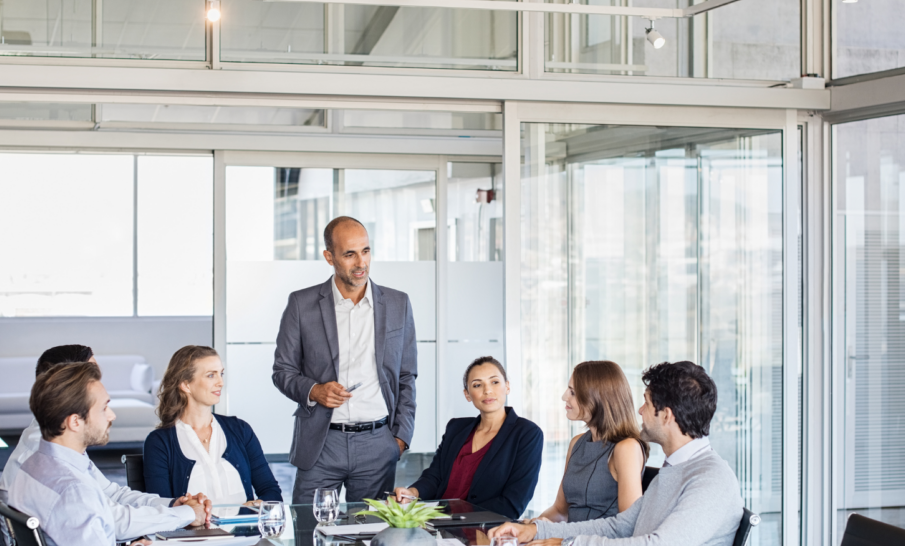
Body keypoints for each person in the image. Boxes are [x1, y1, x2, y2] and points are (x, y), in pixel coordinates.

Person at [6, 361, 227, 546]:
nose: (111, 415)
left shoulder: (35, 467)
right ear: (75, 421)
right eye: (104, 407)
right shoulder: (73, 490)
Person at [488, 361, 744, 546]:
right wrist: (538, 531)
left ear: (666, 415)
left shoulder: (711, 478)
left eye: (646, 402)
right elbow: (619, 526)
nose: (640, 410)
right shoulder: (674, 468)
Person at [272, 215, 417, 505]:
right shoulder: (302, 304)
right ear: (329, 257)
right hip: (321, 442)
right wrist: (315, 390)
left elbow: (406, 376)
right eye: (349, 254)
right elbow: (282, 371)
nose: (361, 262)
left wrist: (400, 437)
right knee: (307, 535)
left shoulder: (398, 303)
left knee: (369, 541)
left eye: (365, 251)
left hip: (378, 443)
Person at [0, 344, 208, 539]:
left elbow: (110, 494)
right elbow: (111, 521)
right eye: (92, 376)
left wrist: (173, 504)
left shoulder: (57, 443)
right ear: (68, 387)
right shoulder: (47, 457)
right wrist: (185, 514)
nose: (100, 385)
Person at [393, 356, 542, 518]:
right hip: (436, 525)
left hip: (483, 531)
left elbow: (513, 503)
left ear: (507, 386)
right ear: (467, 394)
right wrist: (411, 493)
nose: (487, 390)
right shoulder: (456, 428)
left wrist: (454, 518)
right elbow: (435, 476)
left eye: (495, 382)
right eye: (477, 385)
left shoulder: (527, 434)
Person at [143, 346, 282, 509]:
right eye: (211, 375)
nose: (221, 382)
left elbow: (272, 493)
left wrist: (255, 506)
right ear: (186, 385)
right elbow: (161, 508)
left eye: (221, 374)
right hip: (194, 534)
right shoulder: (159, 442)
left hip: (245, 532)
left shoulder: (240, 430)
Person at [530, 361, 647, 523]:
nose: (564, 397)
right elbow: (560, 511)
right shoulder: (577, 443)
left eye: (573, 392)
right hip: (566, 542)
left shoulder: (626, 448)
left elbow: (627, 525)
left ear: (598, 398)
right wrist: (530, 526)